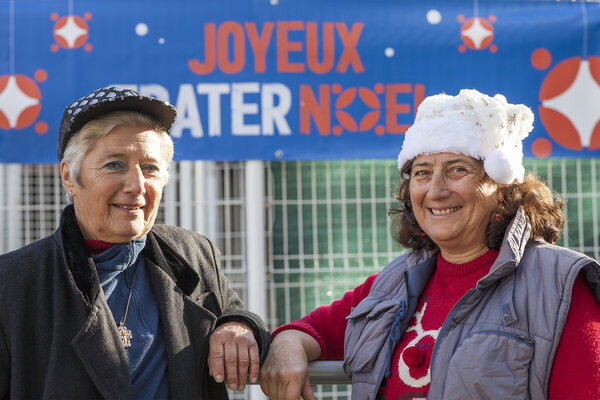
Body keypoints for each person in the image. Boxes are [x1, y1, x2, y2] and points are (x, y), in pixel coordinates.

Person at [259, 89, 600, 399]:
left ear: (502, 187)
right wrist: (286, 346)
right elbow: (312, 330)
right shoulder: (394, 283)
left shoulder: (558, 286)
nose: (435, 190)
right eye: (422, 172)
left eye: (457, 170)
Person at [0, 86, 270, 399]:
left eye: (150, 167)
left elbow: (235, 314)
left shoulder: (192, 255)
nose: (137, 185)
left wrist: (238, 326)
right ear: (69, 177)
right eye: (115, 164)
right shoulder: (13, 284)